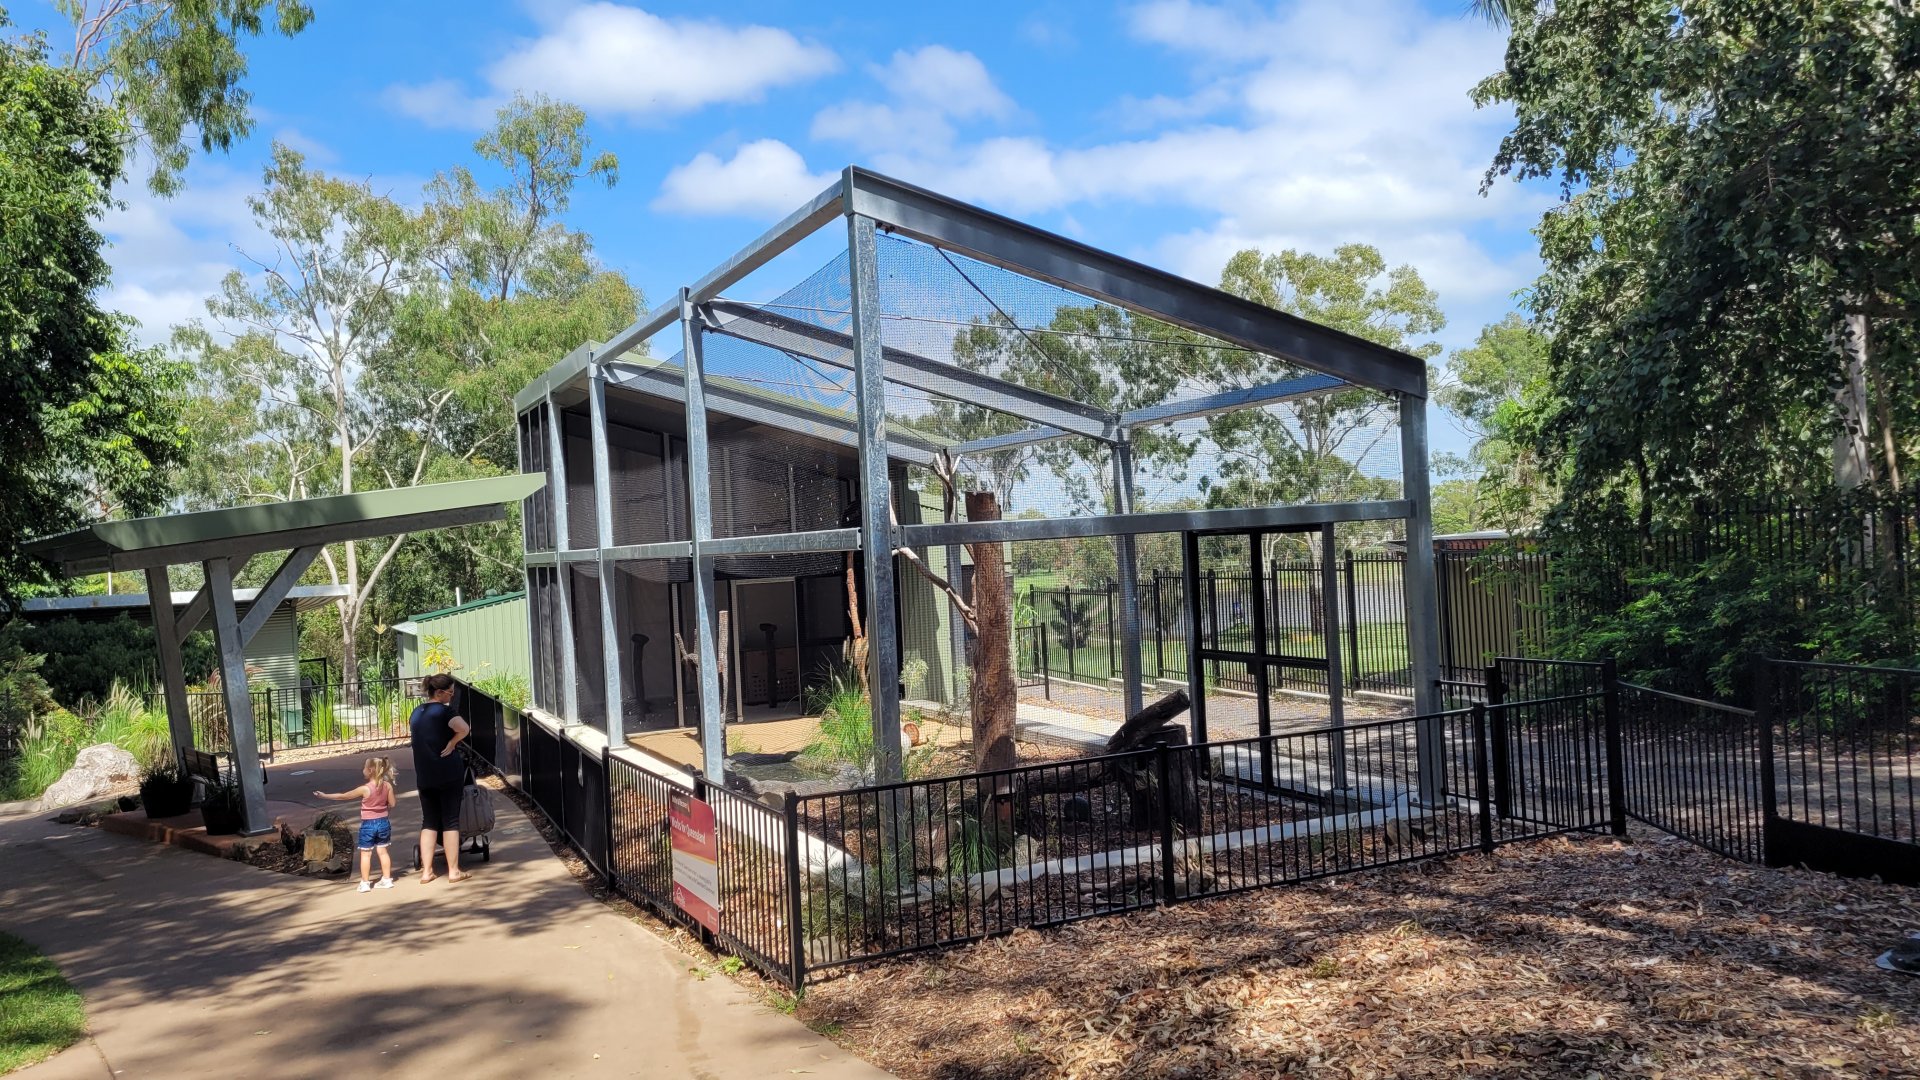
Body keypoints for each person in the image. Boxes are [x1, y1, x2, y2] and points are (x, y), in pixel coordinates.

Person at [410, 673, 473, 883]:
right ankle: (453, 871)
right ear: (439, 692)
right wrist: (453, 742)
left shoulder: (416, 713)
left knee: (428, 821)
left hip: (425, 774)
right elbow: (464, 728)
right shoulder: (445, 712)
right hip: (447, 772)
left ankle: (427, 871)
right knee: (450, 821)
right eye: (450, 693)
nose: (452, 696)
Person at [313, 757, 398, 892]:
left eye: (364, 767)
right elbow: (392, 804)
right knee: (383, 852)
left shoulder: (365, 789)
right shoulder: (387, 786)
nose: (362, 770)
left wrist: (324, 796)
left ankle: (365, 883)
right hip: (383, 823)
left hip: (368, 825)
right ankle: (387, 880)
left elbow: (344, 796)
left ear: (370, 770)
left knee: (366, 854)